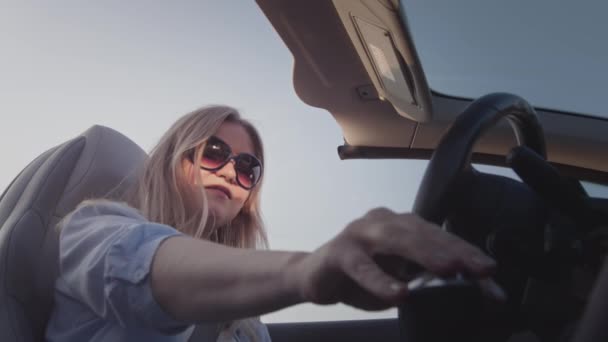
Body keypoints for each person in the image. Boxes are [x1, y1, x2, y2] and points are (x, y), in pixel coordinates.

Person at [45, 105, 501, 342]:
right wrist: (303, 270)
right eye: (215, 153)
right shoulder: (95, 228)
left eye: (247, 168)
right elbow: (146, 269)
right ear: (173, 158)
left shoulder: (243, 319)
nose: (230, 172)